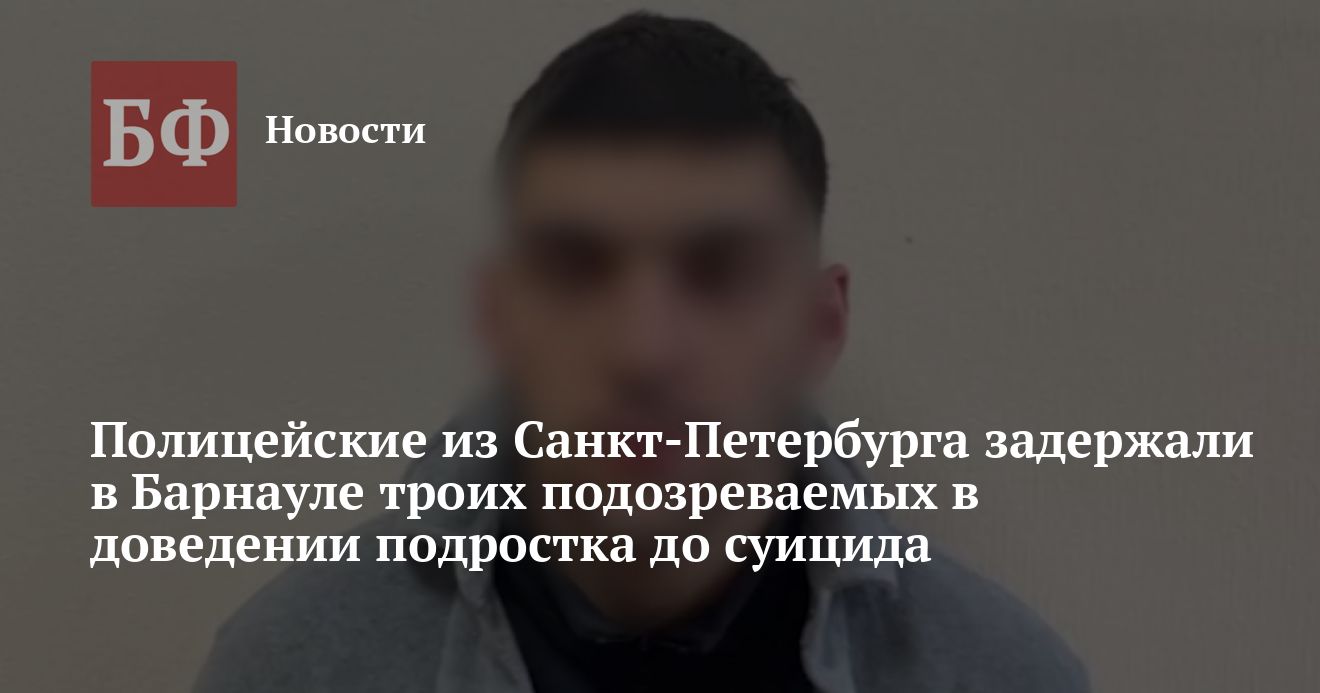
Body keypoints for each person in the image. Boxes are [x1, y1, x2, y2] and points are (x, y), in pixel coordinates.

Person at [195, 12, 1087, 693]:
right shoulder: (286, 667)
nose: (643, 350)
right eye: (577, 270)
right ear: (502, 320)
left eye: (719, 273)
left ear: (817, 328)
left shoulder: (1003, 672)